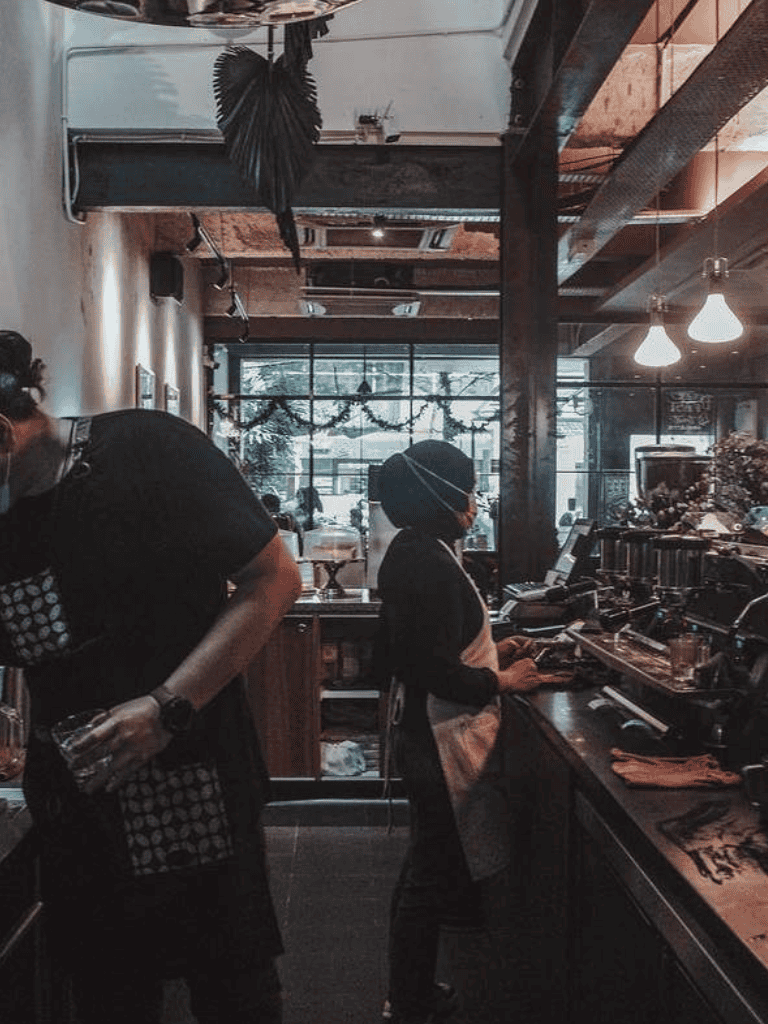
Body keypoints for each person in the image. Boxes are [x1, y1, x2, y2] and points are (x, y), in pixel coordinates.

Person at [0, 331, 302, 1024]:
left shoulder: (148, 451)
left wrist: (169, 706)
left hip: (193, 779)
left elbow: (273, 581)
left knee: (233, 993)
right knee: (108, 996)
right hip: (78, 798)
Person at [376, 440, 546, 1024]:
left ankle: (409, 993)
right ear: (440, 494)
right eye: (469, 488)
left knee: (423, 867)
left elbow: (440, 645)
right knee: (429, 879)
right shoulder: (421, 558)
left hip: (433, 731)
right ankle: (411, 1002)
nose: (474, 500)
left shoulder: (424, 548)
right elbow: (432, 670)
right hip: (438, 735)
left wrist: (495, 652)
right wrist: (504, 681)